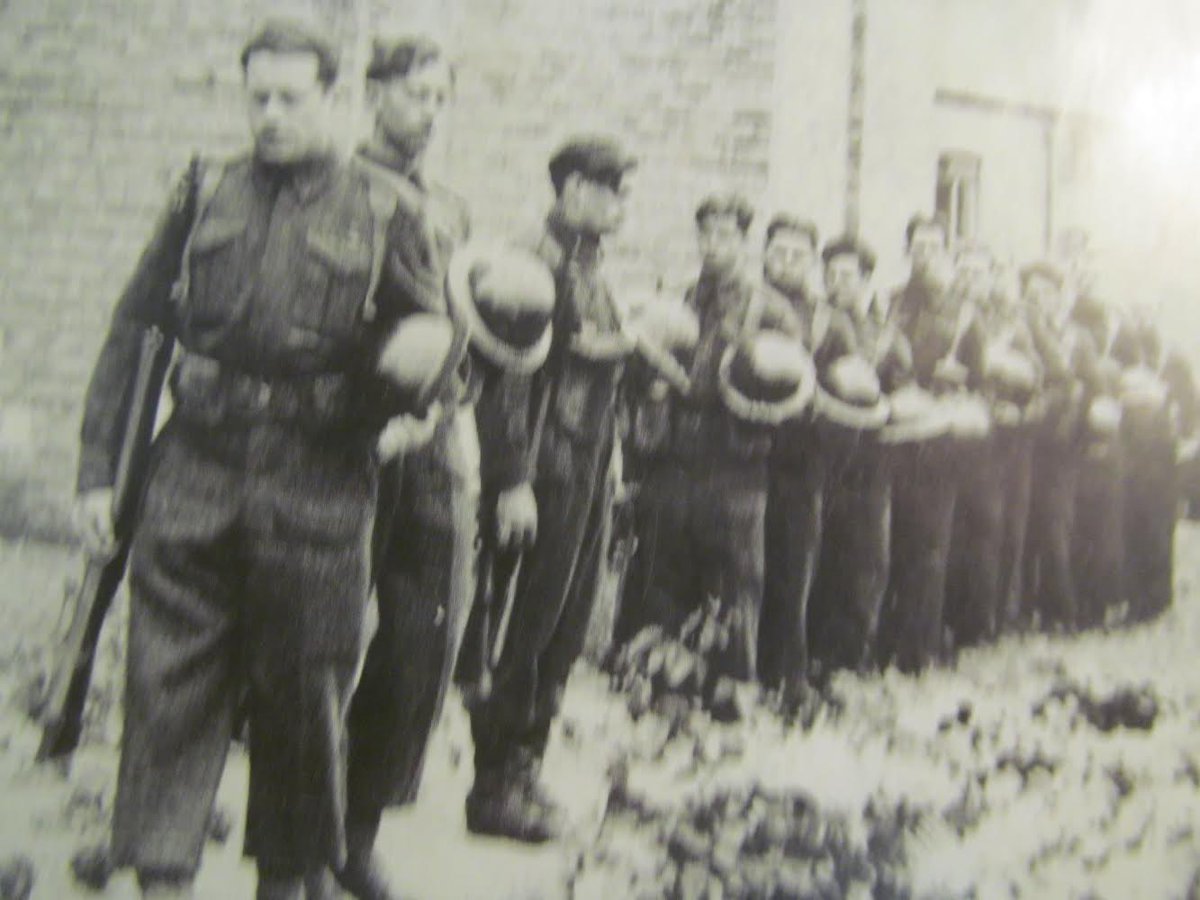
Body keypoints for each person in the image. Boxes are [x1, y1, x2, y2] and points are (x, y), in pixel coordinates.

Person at [72, 20, 440, 900]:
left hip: (317, 482)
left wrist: (410, 388)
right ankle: (161, 878)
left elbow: (431, 330)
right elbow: (137, 325)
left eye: (291, 98)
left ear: (334, 99)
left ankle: (286, 880)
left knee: (304, 703)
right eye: (257, 96)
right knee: (166, 688)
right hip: (195, 470)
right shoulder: (206, 190)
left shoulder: (388, 209)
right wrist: (97, 472)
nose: (270, 115)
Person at [456, 135, 637, 844]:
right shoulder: (533, 258)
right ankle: (495, 785)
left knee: (562, 630)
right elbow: (509, 377)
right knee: (521, 629)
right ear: (570, 190)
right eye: (609, 187)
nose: (621, 203)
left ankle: (525, 771)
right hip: (545, 472)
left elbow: (600, 372)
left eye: (623, 190)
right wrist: (512, 482)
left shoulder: (591, 265)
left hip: (585, 470)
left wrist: (613, 464)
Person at [338, 36, 476, 900]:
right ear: (375, 93)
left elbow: (467, 325)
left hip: (433, 447)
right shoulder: (344, 188)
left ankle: (358, 833)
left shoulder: (449, 208)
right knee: (322, 642)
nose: (427, 112)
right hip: (356, 441)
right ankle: (299, 840)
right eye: (414, 94)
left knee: (421, 641)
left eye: (438, 98)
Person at [615, 194, 806, 685]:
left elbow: (790, 393)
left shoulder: (772, 311)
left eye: (726, 235)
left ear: (745, 242)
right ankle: (657, 680)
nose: (713, 245)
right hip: (674, 461)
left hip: (737, 468)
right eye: (706, 233)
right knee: (665, 574)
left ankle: (731, 688)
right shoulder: (678, 298)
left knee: (739, 582)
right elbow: (640, 368)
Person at [757, 214, 859, 697]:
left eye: (797, 255)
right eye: (778, 252)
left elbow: (852, 397)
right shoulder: (745, 304)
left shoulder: (829, 321)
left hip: (802, 465)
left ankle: (789, 674)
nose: (786, 262)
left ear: (812, 263)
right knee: (744, 570)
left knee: (795, 571)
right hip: (746, 457)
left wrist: (827, 459)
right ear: (764, 255)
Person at [878, 214, 984, 672]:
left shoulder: (963, 312)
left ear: (944, 253)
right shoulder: (892, 304)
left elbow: (981, 382)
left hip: (940, 442)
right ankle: (890, 640)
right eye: (916, 247)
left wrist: (959, 382)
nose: (923, 257)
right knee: (895, 542)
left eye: (932, 248)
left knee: (932, 547)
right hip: (898, 435)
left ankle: (921, 649)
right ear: (907, 252)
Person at [806, 234, 909, 678]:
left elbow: (902, 389)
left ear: (867, 280)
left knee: (867, 556)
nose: (836, 284)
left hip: (871, 463)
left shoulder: (885, 333)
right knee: (823, 553)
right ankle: (821, 654)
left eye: (846, 276)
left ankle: (856, 653)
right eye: (829, 275)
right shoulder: (816, 325)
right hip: (824, 458)